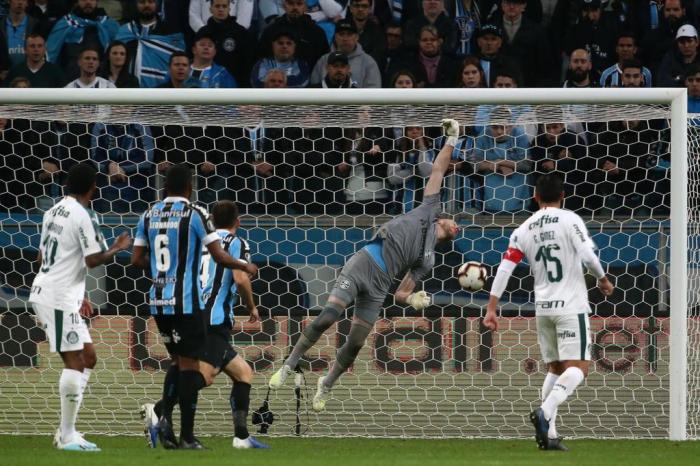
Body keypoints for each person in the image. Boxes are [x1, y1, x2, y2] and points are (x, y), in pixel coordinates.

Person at [268, 118, 462, 411]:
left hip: (380, 287)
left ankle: (327, 384)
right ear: (444, 220)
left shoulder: (428, 259)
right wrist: (451, 140)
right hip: (364, 263)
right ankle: (289, 365)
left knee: (357, 342)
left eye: (459, 227)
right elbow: (437, 170)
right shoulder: (428, 209)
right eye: (456, 221)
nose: (457, 225)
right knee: (327, 317)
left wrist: (412, 298)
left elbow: (400, 294)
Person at [131, 164, 258, 449]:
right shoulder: (196, 213)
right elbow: (220, 257)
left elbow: (136, 260)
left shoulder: (148, 214)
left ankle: (166, 425)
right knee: (193, 369)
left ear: (164, 187)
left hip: (158, 299)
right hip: (188, 303)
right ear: (190, 187)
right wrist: (246, 265)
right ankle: (185, 434)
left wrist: (163, 270)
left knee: (179, 363)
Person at [484, 173, 614, 451]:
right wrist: (602, 279)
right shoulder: (570, 219)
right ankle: (545, 412)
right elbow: (588, 256)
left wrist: (492, 307)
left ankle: (550, 435)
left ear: (534, 197)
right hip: (571, 305)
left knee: (555, 368)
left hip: (543, 308)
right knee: (579, 368)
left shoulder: (524, 228)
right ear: (563, 195)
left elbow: (505, 268)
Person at [29, 163, 132, 451]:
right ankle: (67, 434)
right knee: (74, 361)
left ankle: (66, 430)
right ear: (93, 187)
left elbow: (41, 257)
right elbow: (93, 259)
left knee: (88, 357)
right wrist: (117, 247)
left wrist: (78, 291)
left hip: (56, 291)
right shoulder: (84, 215)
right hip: (57, 296)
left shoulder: (53, 210)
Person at [114, 0, 185, 88]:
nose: (146, 5)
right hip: (126, 90)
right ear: (136, 5)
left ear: (157, 5)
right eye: (142, 2)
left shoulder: (169, 34)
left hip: (160, 92)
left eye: (150, 2)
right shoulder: (125, 31)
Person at [310, 18, 381, 88]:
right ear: (335, 37)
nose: (345, 38)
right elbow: (313, 89)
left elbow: (374, 94)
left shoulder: (368, 62)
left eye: (349, 34)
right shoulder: (323, 60)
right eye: (341, 34)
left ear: (357, 37)